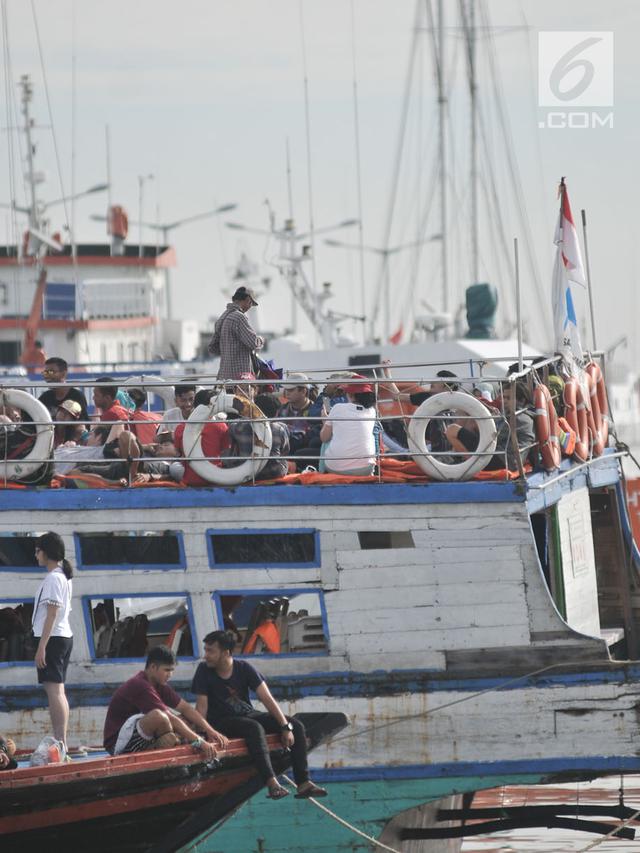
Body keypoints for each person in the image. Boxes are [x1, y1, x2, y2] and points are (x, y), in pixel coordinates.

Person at [192, 630, 327, 801]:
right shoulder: (204, 671)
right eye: (206, 650)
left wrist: (285, 726)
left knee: (297, 726)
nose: (206, 656)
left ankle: (303, 782)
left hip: (247, 715)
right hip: (220, 722)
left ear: (225, 652)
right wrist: (201, 734)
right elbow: (201, 707)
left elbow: (267, 698)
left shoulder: (244, 668)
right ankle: (272, 783)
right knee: (253, 728)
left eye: (210, 651)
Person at [103, 645, 228, 758]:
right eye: (167, 670)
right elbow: (169, 718)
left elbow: (186, 709)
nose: (170, 674)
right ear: (153, 667)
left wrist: (210, 731)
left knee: (188, 718)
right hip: (118, 744)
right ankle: (176, 746)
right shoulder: (140, 685)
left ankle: (174, 743)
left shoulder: (159, 684)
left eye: (172, 670)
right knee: (159, 716)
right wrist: (200, 742)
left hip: (139, 736)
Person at [32, 532, 73, 751]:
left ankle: (60, 741)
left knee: (54, 691)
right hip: (60, 637)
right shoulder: (61, 577)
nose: (36, 555)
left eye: (38, 550)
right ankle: (61, 740)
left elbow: (52, 614)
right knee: (58, 691)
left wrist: (42, 647)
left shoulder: (54, 578)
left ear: (46, 552)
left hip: (54, 639)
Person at [319, 377, 377, 476]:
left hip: (335, 467)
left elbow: (324, 438)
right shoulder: (372, 411)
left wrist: (325, 420)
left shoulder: (337, 408)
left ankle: (321, 472)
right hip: (365, 469)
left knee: (327, 442)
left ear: (350, 394)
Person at [173, 389, 231, 486]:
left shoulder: (180, 428)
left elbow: (178, 453)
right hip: (216, 478)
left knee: (173, 467)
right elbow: (225, 451)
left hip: (190, 480)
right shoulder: (221, 426)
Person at [208, 286, 264, 380]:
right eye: (251, 303)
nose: (250, 307)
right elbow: (253, 343)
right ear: (247, 299)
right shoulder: (239, 317)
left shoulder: (222, 317)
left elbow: (213, 348)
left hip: (224, 377)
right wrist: (261, 340)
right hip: (240, 379)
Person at [39, 357, 89, 424]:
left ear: (63, 374)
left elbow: (84, 424)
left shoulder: (77, 395)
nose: (47, 376)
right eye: (45, 372)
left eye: (51, 372)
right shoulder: (45, 397)